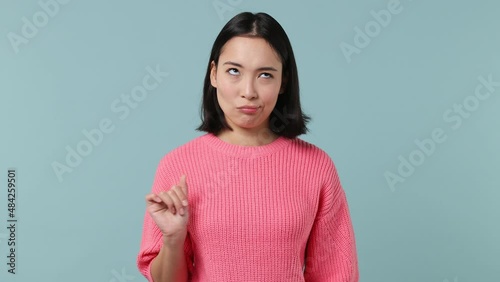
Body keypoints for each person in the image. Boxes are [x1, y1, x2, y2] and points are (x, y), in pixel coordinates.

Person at [137, 12, 359, 282]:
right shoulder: (177, 165)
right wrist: (173, 239)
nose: (248, 91)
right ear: (214, 74)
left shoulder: (316, 167)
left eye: (265, 75)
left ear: (283, 82)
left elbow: (335, 274)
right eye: (234, 71)